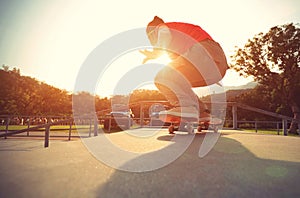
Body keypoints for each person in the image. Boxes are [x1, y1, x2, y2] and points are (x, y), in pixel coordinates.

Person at [140, 16, 228, 122]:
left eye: (150, 38)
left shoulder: (161, 27)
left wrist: (156, 52)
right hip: (218, 65)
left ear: (152, 32)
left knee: (161, 78)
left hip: (202, 50)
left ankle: (187, 107)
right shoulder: (178, 43)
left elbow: (164, 34)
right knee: (177, 81)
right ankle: (201, 112)